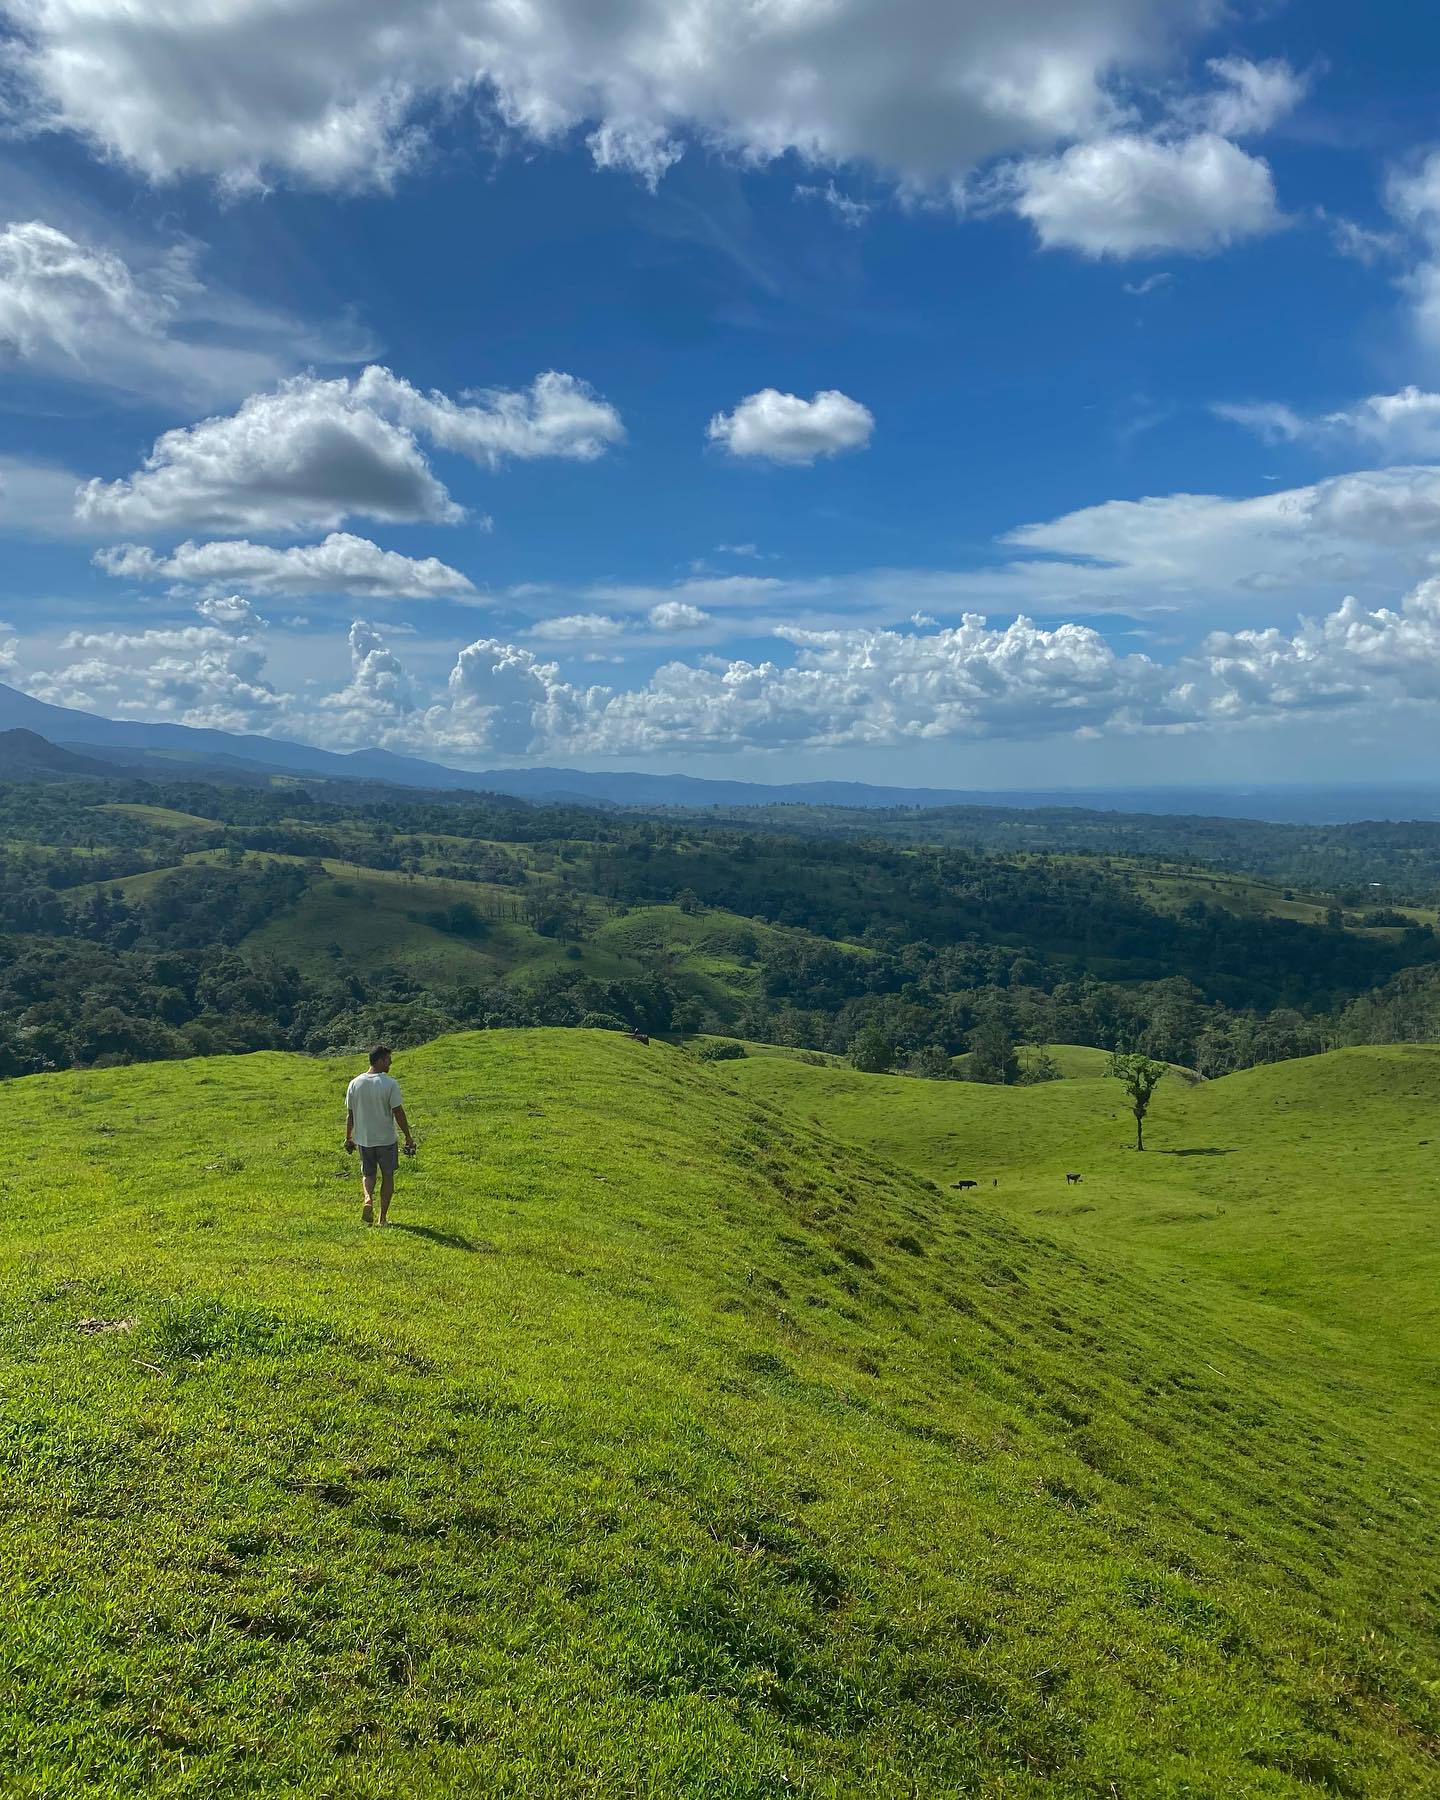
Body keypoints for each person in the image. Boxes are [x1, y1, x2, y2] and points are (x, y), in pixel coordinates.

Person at [345, 1045, 415, 1228]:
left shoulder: (354, 1083)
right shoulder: (390, 1084)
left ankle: (367, 1199)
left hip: (364, 1139)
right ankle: (382, 1219)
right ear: (380, 1061)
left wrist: (349, 1137)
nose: (390, 1063)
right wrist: (408, 1136)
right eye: (388, 1059)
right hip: (386, 1139)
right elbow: (398, 1111)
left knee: (368, 1174)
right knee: (387, 1175)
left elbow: (350, 1114)